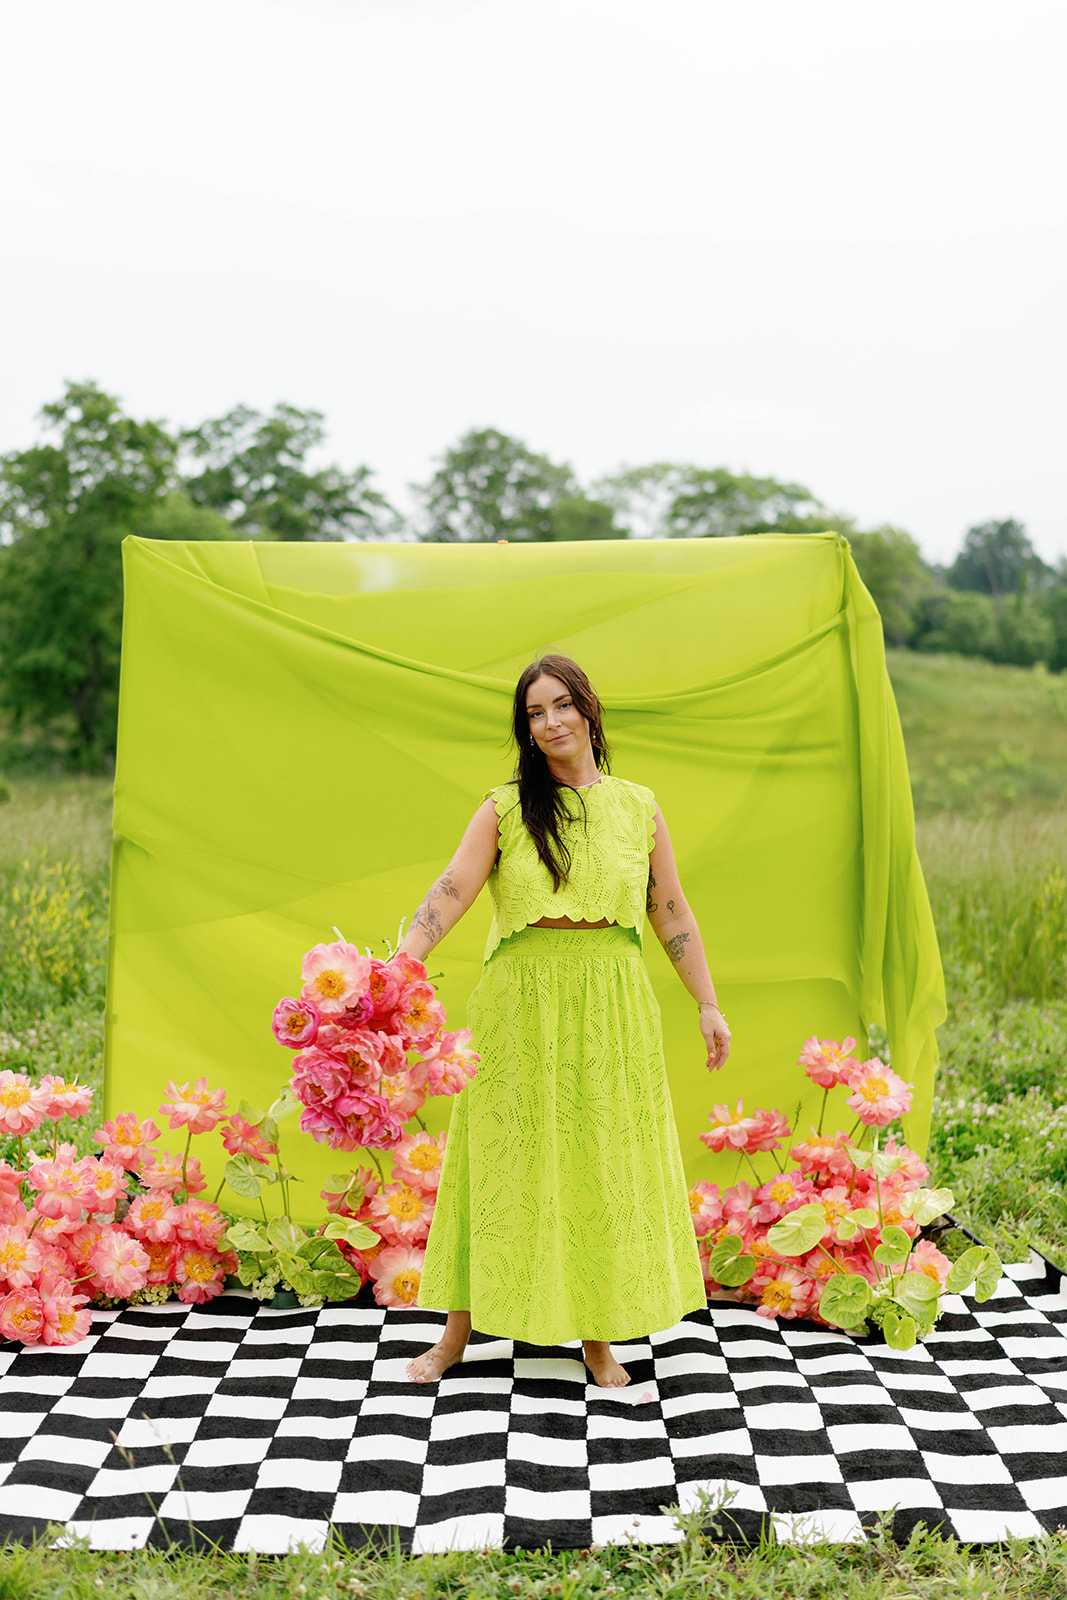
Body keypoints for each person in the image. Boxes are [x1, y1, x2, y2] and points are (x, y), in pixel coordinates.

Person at [400, 653, 731, 1388]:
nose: (550, 722)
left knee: (598, 1161)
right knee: (498, 1160)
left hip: (612, 1001)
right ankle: (455, 1336)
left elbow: (670, 910)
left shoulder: (638, 807)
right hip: (519, 1000)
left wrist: (707, 1003)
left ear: (587, 708)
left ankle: (598, 1340)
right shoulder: (505, 808)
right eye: (534, 713)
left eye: (560, 705)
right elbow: (452, 888)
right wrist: (402, 963)